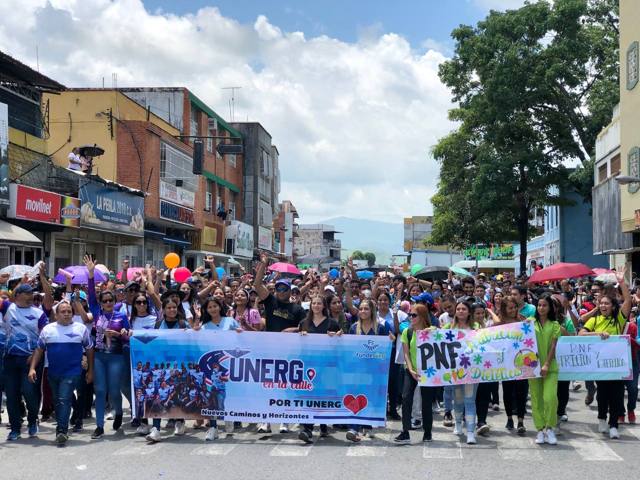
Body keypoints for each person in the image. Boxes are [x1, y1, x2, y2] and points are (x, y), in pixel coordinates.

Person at [28, 301, 94, 444]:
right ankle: (62, 426)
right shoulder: (48, 329)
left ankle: (62, 430)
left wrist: (90, 370)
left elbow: (89, 349)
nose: (66, 314)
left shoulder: (81, 329)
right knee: (57, 401)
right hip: (53, 373)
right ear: (56, 315)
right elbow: (39, 350)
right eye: (63, 312)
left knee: (64, 400)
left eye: (69, 311)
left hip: (72, 372)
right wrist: (32, 368)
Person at [253, 253, 305, 435]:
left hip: (289, 354)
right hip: (269, 351)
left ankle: (285, 421)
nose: (280, 291)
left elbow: (304, 328)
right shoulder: (270, 302)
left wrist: (293, 330)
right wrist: (263, 264)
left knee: (286, 387)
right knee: (268, 387)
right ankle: (265, 422)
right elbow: (256, 285)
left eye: (284, 289)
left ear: (291, 291)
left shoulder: (297, 309)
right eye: (278, 288)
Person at [579, 271, 632, 439]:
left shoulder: (619, 319)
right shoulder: (594, 320)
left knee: (616, 396)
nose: (603, 306)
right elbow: (580, 334)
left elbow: (628, 300)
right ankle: (602, 418)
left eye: (606, 304)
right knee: (602, 394)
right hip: (599, 366)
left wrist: (622, 282)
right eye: (601, 304)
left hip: (616, 366)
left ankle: (614, 424)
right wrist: (597, 334)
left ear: (613, 306)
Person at [84, 255, 130, 439]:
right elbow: (90, 295)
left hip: (116, 356)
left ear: (115, 301)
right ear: (101, 303)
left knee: (113, 390)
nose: (108, 303)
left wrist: (121, 334)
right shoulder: (96, 312)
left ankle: (119, 412)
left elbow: (128, 337)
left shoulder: (121, 315)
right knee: (100, 390)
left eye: (111, 300)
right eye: (105, 301)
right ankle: (99, 426)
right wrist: (90, 274)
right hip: (100, 356)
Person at [1, 283, 49, 440]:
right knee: (12, 394)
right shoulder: (8, 308)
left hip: (31, 360)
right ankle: (15, 428)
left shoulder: (38, 313)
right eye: (27, 294)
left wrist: (35, 356)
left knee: (29, 392)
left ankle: (32, 421)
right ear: (17, 295)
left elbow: (43, 339)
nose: (30, 297)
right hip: (10, 359)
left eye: (31, 294)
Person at [346, 298, 392, 442]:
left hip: (375, 370)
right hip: (357, 370)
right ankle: (354, 428)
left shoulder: (382, 327)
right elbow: (348, 348)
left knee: (370, 397)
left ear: (372, 311)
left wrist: (391, 339)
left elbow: (387, 347)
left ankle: (367, 425)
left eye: (366, 309)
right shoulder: (354, 328)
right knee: (356, 395)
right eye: (361, 309)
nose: (363, 311)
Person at [298, 295, 341, 443]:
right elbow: (299, 346)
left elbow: (341, 343)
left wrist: (335, 337)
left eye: (319, 303)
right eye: (313, 303)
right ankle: (307, 428)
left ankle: (323, 425)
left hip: (326, 366)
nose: (316, 305)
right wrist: (301, 336)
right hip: (309, 366)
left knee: (323, 396)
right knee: (309, 395)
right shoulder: (304, 323)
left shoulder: (332, 323)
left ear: (324, 306)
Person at [394, 303, 435, 444]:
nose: (410, 317)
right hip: (410, 370)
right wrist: (410, 369)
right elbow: (406, 353)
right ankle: (405, 432)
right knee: (406, 398)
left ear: (422, 316)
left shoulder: (432, 331)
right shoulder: (408, 332)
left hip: (428, 372)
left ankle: (428, 432)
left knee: (426, 402)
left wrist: (432, 331)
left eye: (414, 315)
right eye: (409, 315)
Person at [529, 293, 561, 445]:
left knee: (550, 398)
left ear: (550, 308)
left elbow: (554, 346)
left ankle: (550, 427)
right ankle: (540, 429)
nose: (541, 308)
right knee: (536, 399)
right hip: (532, 368)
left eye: (545, 305)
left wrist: (547, 364)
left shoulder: (554, 325)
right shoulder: (529, 322)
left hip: (550, 367)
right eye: (539, 305)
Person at [447, 299, 480, 444]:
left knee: (470, 400)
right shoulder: (449, 327)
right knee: (458, 399)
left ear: (469, 312)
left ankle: (471, 432)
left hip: (472, 370)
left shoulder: (477, 327)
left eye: (464, 309)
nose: (461, 311)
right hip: (455, 370)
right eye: (458, 309)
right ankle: (458, 423)